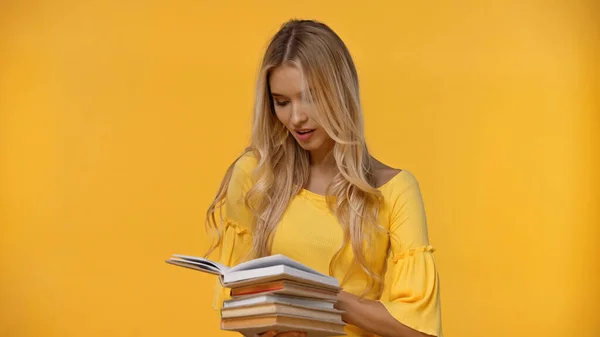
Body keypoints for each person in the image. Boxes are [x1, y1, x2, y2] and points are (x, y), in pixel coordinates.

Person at [205, 19, 443, 337]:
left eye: (311, 97)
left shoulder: (394, 191)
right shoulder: (254, 174)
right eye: (282, 102)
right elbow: (236, 304)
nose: (296, 117)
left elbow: (419, 329)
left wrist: (322, 298)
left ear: (340, 92)